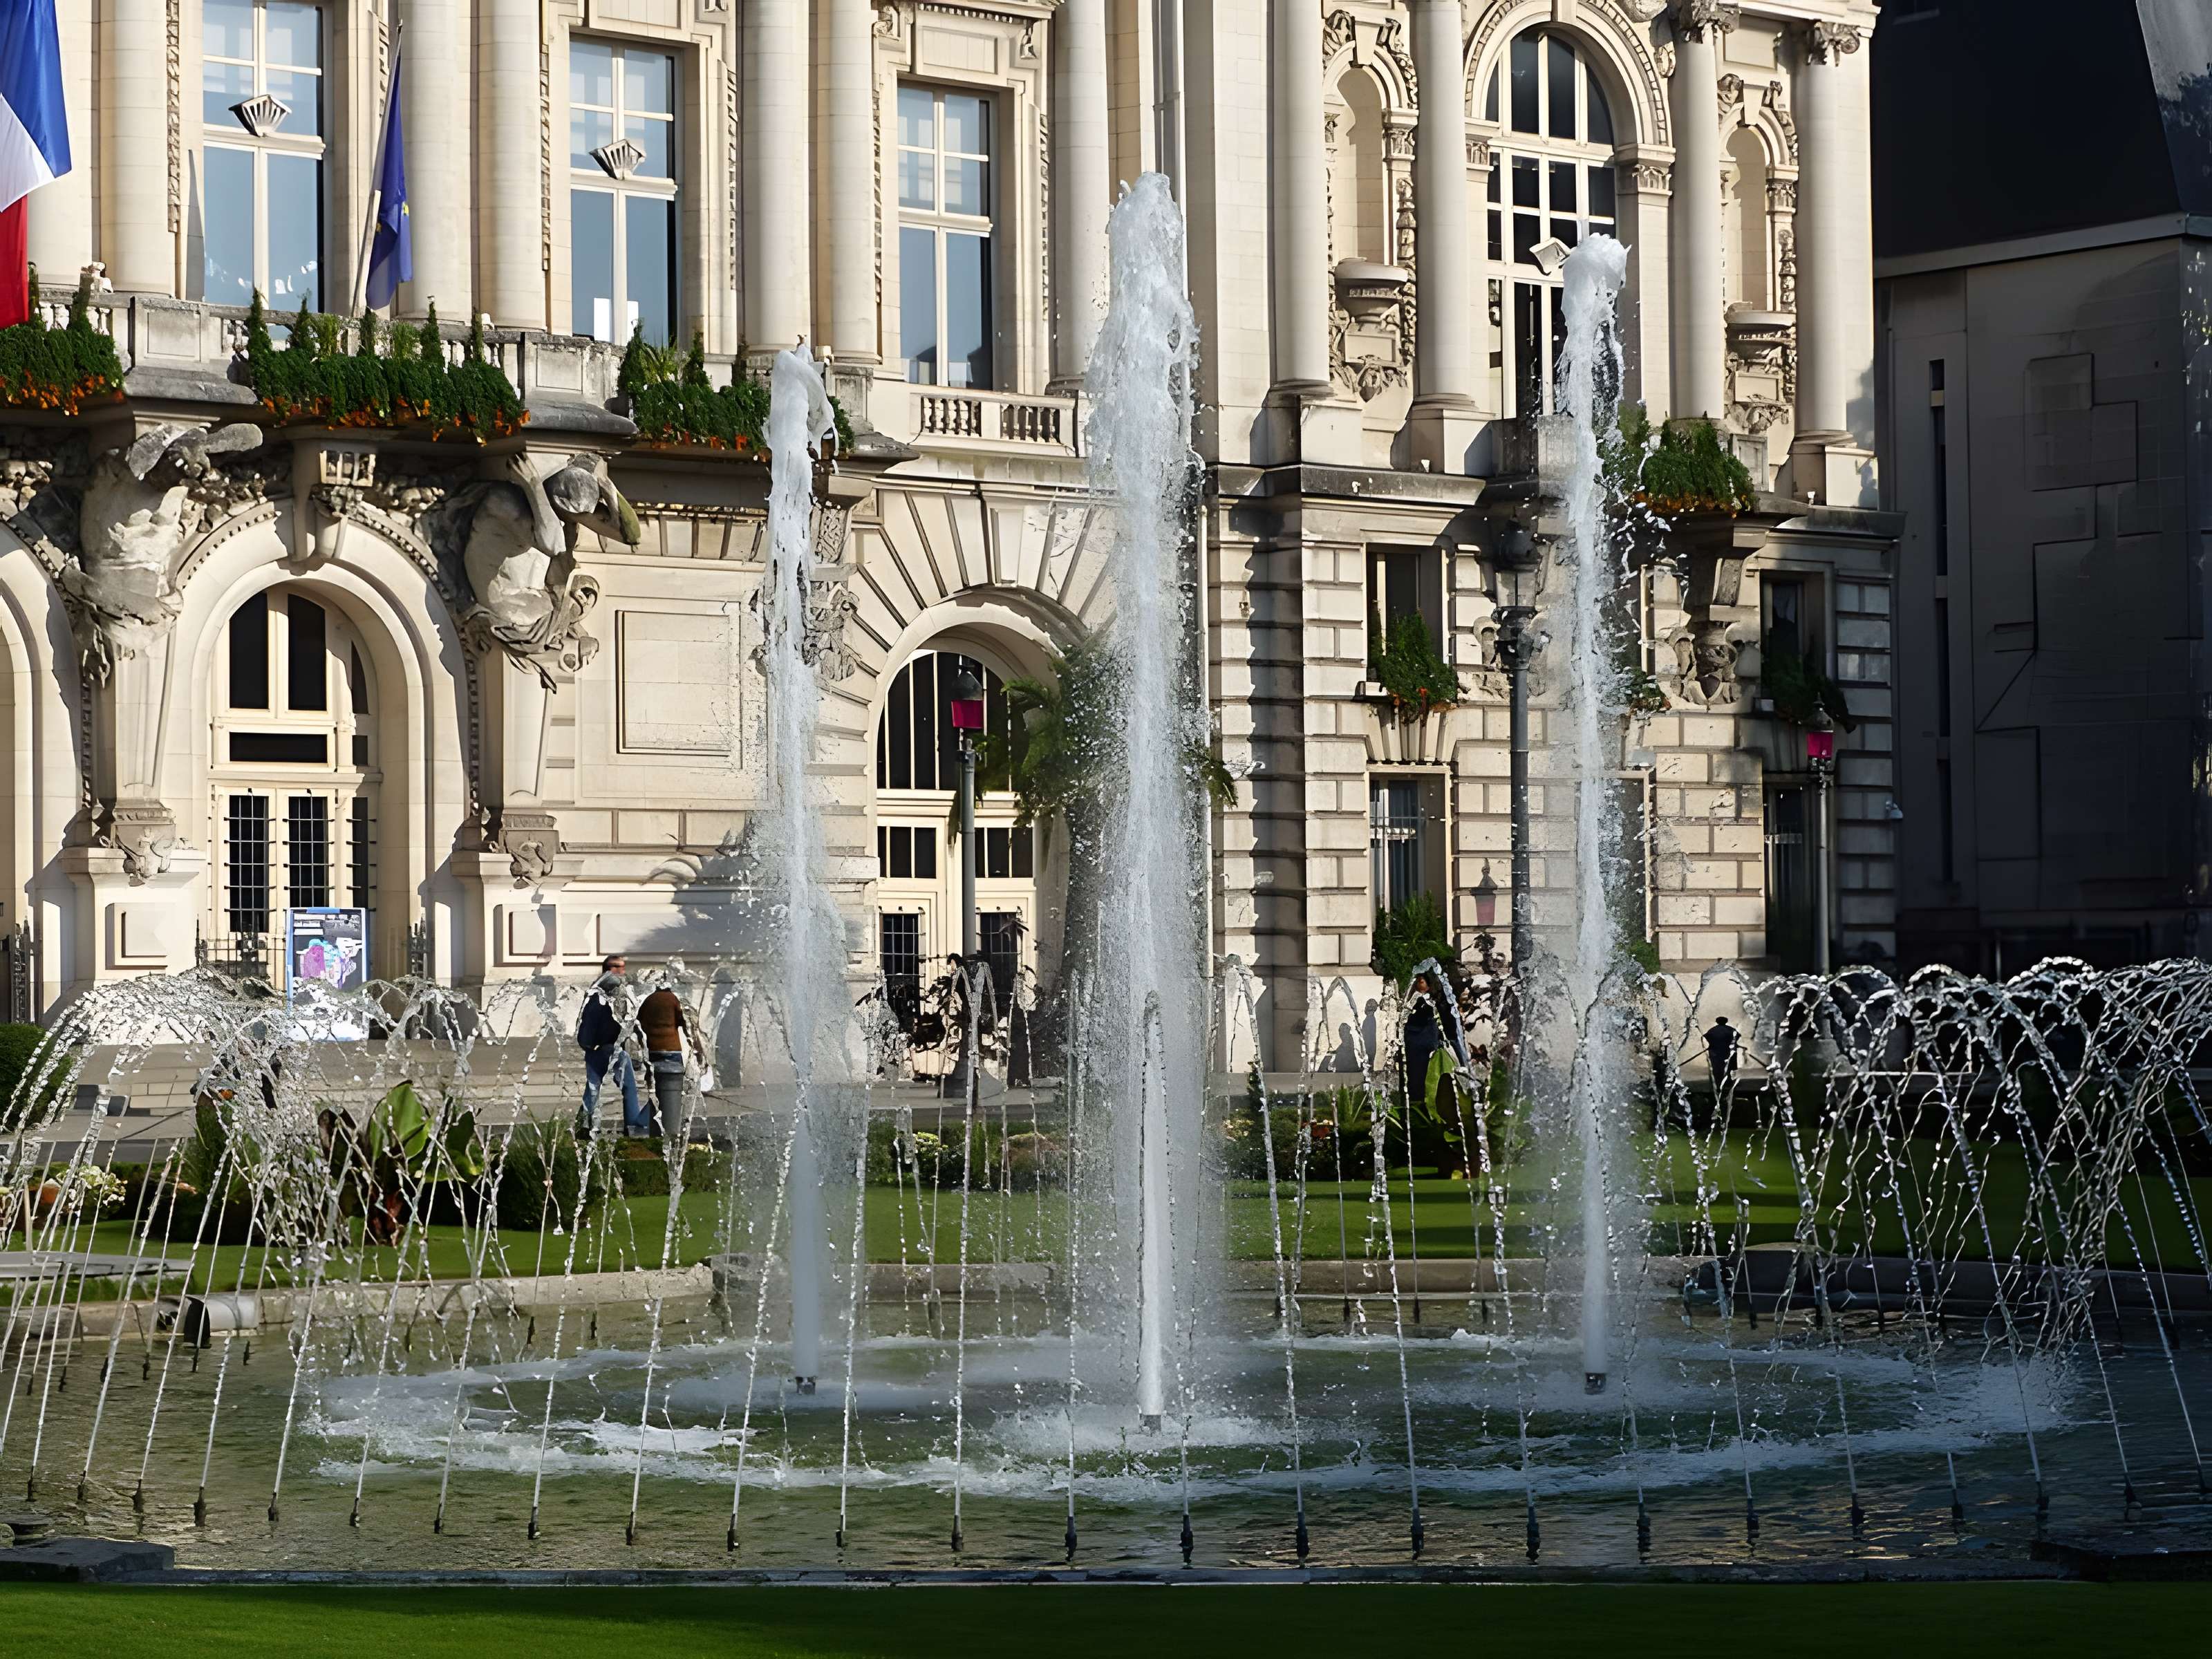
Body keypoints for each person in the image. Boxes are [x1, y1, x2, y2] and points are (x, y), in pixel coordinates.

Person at [577, 954, 644, 1137]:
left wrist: (588, 1046)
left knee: (593, 1087)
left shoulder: (598, 991)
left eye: (623, 966)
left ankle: (584, 1125)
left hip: (600, 1049)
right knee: (628, 1086)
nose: (623, 970)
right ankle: (633, 1126)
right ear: (609, 969)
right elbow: (592, 1021)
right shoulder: (605, 993)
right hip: (609, 1048)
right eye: (619, 967)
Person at [637, 978, 689, 1139]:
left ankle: (655, 1124)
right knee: (674, 1088)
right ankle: (671, 1126)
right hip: (672, 1049)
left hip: (653, 1050)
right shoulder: (674, 1000)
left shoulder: (649, 1001)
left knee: (654, 1089)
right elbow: (685, 1022)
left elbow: (639, 1022)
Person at [1704, 1015, 1741, 1103]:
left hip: (1716, 1054)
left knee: (1718, 1070)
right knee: (1730, 1069)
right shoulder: (1731, 1030)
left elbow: (1707, 1037)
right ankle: (1729, 1085)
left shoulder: (1712, 1030)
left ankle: (1720, 1086)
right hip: (1728, 1053)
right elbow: (1737, 1037)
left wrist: (1713, 1044)